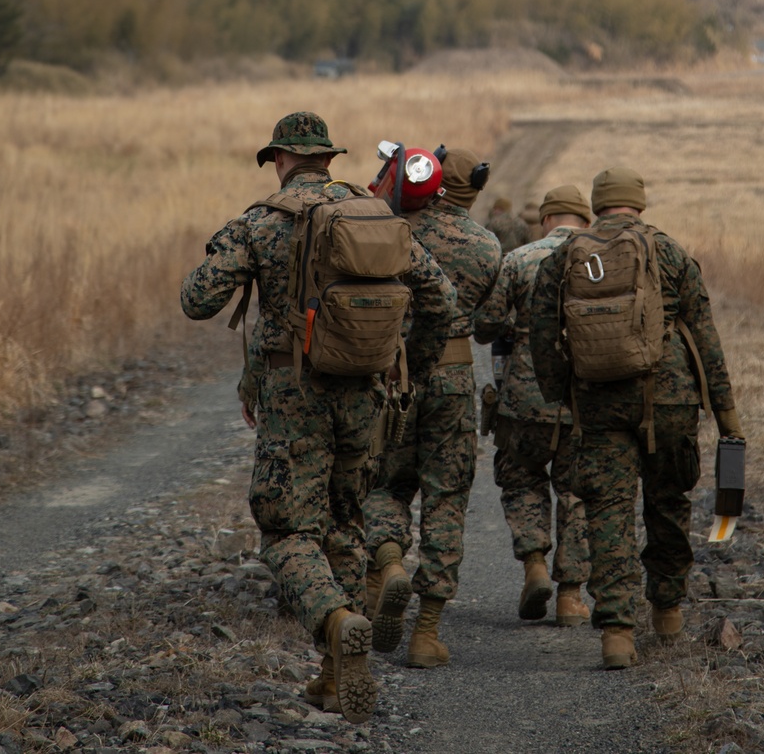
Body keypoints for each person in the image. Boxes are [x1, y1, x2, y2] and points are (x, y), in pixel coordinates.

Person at [180, 112, 455, 724]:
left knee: (286, 531)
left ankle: (336, 620)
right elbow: (442, 298)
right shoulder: (374, 215)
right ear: (329, 159)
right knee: (346, 521)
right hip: (365, 393)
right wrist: (406, 361)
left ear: (279, 157)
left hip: (293, 394)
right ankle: (334, 678)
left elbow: (198, 301)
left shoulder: (260, 221)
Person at [529, 165, 742, 670]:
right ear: (640, 203)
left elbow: (542, 336)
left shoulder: (565, 255)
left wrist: (565, 394)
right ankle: (667, 611)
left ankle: (617, 634)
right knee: (667, 503)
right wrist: (728, 415)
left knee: (609, 514)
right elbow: (705, 338)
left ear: (597, 205)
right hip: (669, 402)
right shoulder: (669, 252)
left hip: (598, 401)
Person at [364, 147, 502, 667]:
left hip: (391, 375)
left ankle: (389, 561)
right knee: (446, 498)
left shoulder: (389, 230)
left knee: (384, 482)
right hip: (452, 376)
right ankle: (426, 633)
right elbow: (488, 316)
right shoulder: (486, 246)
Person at [473, 184, 592, 627]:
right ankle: (571, 596)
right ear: (586, 220)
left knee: (522, 481)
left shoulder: (518, 259)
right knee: (577, 493)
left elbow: (484, 327)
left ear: (545, 220)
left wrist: (516, 325)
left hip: (523, 401)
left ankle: (535, 565)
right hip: (583, 403)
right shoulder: (599, 259)